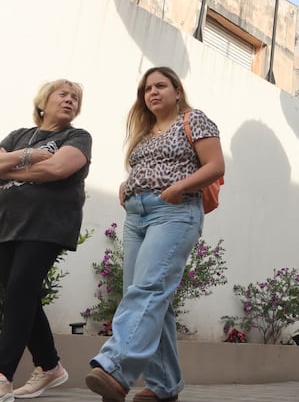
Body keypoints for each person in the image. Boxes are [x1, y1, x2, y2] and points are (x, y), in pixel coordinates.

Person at [86, 67, 224, 402]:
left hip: (174, 212)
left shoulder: (194, 120)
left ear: (177, 91)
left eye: (161, 86)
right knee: (149, 295)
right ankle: (164, 386)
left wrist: (178, 187)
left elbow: (215, 166)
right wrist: (127, 185)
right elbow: (144, 169)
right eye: (147, 89)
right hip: (136, 216)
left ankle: (116, 368)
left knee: (147, 290)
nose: (153, 92)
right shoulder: (145, 133)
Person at [0, 79, 90, 401]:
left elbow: (56, 170)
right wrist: (28, 154)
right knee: (20, 294)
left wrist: (11, 167)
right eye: (62, 94)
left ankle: (2, 376)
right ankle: (50, 366)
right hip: (6, 226)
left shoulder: (77, 137)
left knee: (20, 292)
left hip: (46, 226)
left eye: (75, 98)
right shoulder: (17, 136)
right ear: (43, 102)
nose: (70, 100)